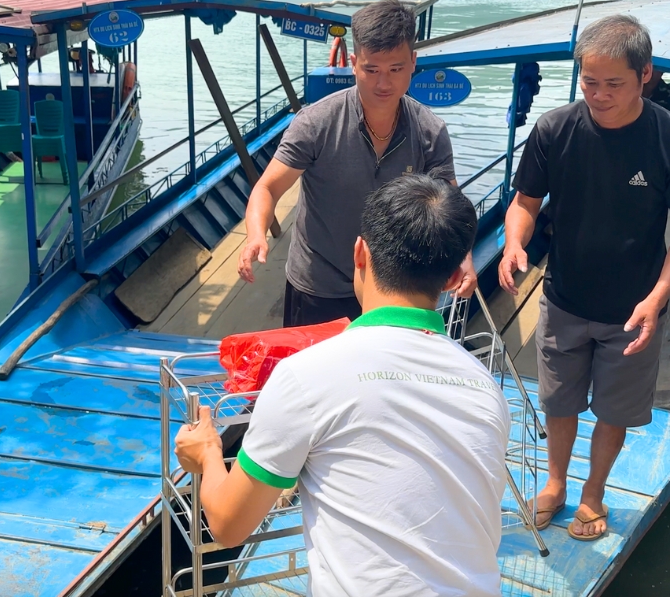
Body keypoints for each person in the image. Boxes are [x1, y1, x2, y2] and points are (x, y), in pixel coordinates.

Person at [177, 173, 510, 596]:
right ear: (451, 277)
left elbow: (227, 524)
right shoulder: (485, 386)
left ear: (360, 254)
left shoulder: (307, 375)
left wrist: (207, 453)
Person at [498, 14, 670, 541]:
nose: (597, 94)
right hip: (564, 297)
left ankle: (593, 494)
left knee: (615, 409)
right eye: (589, 82)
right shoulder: (554, 128)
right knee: (559, 400)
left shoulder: (665, 135)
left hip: (635, 307)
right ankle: (554, 483)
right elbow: (525, 202)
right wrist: (512, 243)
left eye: (612, 83)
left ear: (644, 75)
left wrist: (659, 296)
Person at [237, 0, 477, 327]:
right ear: (353, 63)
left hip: (393, 289)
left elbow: (449, 208)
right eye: (372, 69)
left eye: (396, 69)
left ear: (413, 62)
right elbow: (268, 187)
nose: (383, 83)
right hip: (318, 286)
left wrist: (464, 260)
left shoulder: (429, 131)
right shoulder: (316, 123)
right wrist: (255, 234)